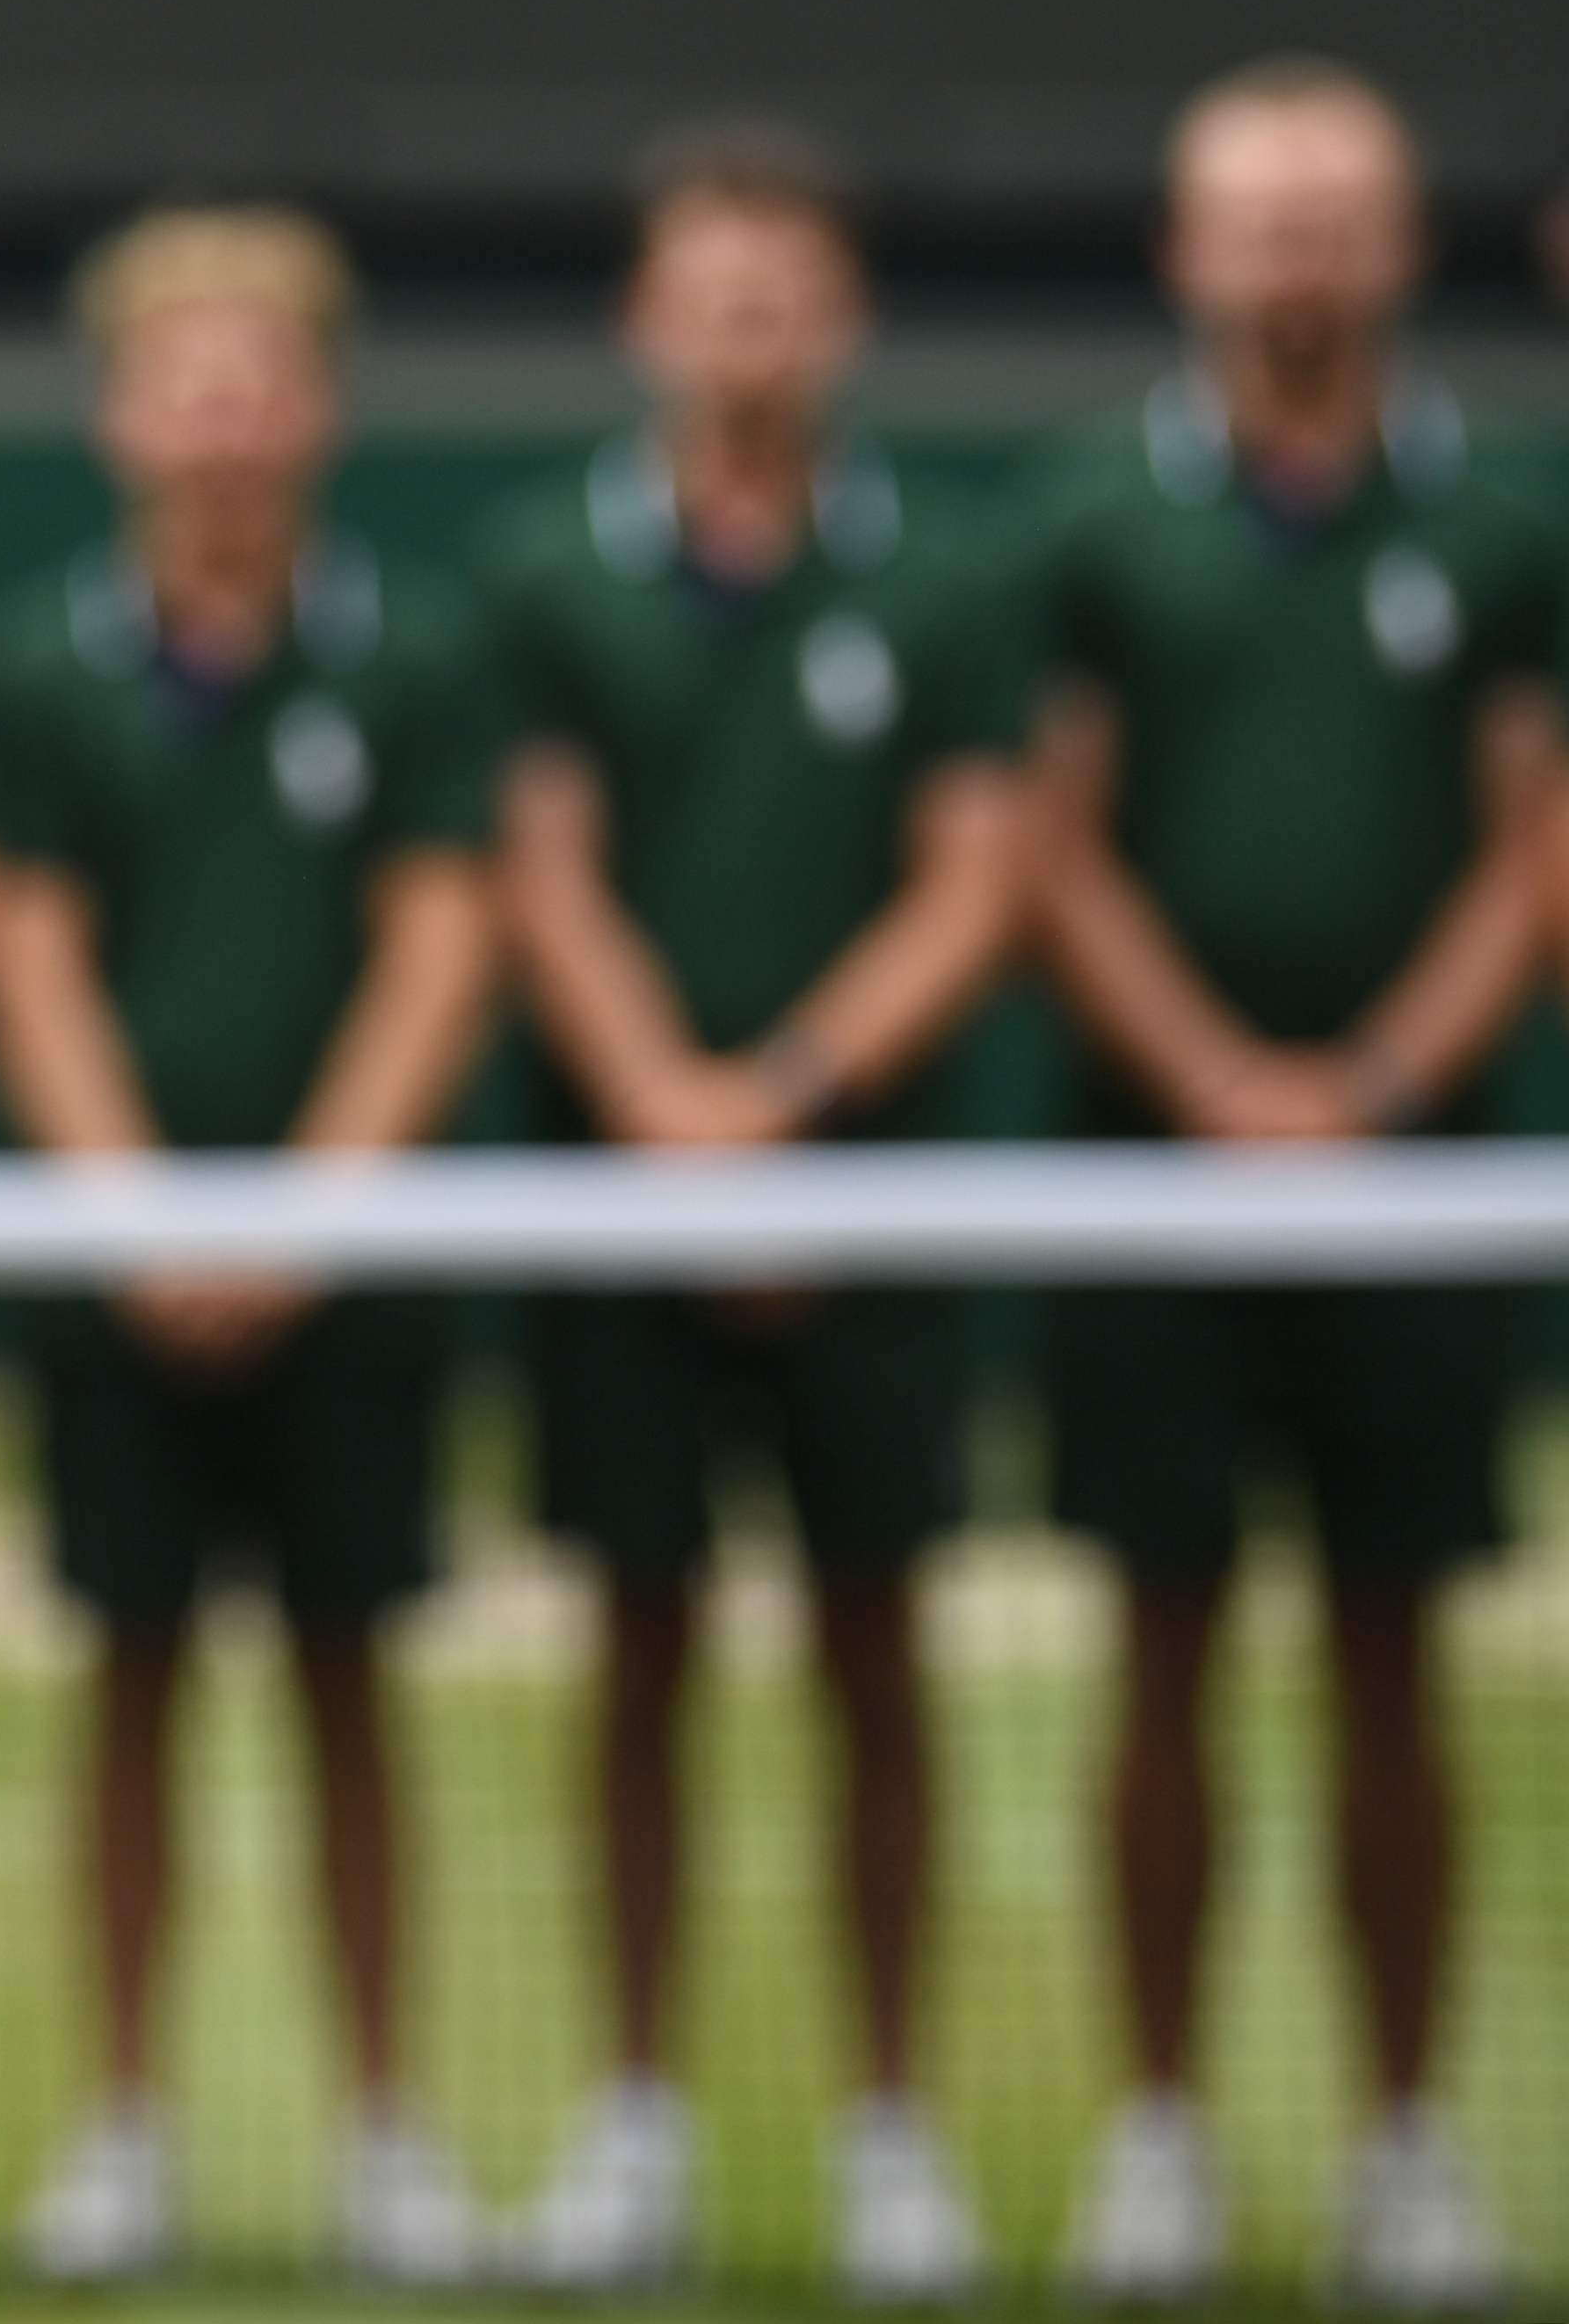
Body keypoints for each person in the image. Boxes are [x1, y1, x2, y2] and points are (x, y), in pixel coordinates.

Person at [480, 128, 1028, 2299]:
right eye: (713, 293)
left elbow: (975, 876)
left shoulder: (951, 584)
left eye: (784, 294)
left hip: (861, 1217)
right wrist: (666, 1119)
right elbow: (542, 870)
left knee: (880, 1664)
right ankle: (633, 2117)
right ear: (647, 320)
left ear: (842, 326)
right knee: (636, 1661)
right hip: (622, 1221)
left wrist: (783, 1109)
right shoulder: (543, 577)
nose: (748, 329)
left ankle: (892, 2127)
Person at [1027, 59, 1544, 2309]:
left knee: (1391, 1667)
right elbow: (1047, 841)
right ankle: (1153, 2137)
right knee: (1157, 1655)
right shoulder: (1081, 527)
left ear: (1401, 250)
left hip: (1418, 1201)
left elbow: (1539, 832)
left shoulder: (1510, 524)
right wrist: (1227, 1089)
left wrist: (1374, 1085)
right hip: (1152, 1198)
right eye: (1257, 218)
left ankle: (1405, 2147)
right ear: (1183, 255)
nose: (1296, 255)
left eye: (1335, 215)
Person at [0, 206, 504, 2286]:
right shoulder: (40, 668)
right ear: (119, 414)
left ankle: (386, 2131)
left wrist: (295, 1221)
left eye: (258, 375)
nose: (220, 414)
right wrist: (139, 1219)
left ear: (320, 410)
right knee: (123, 1690)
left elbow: (442, 943)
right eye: (183, 376)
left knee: (356, 1692)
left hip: (343, 1287)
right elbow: (22, 954)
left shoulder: (418, 656)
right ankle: (118, 2128)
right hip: (117, 1293)